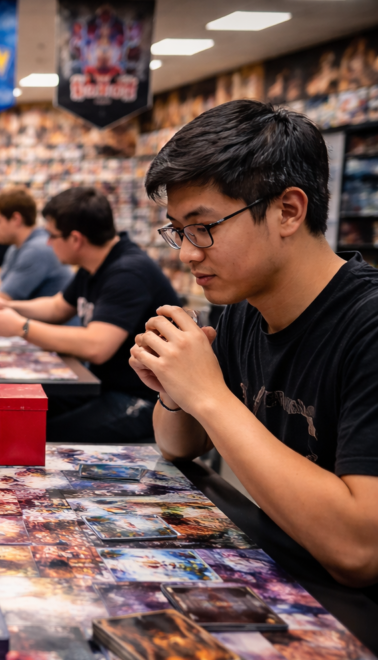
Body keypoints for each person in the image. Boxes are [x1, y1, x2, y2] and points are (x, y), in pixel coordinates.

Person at [130, 99, 378, 590]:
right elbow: (179, 445)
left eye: (204, 227)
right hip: (285, 571)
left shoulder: (367, 325)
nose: (189, 253)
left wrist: (209, 395)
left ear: (288, 210)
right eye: (178, 231)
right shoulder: (245, 308)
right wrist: (175, 391)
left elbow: (359, 550)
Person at [0, 187, 180, 441]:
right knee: (7, 409)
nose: (48, 243)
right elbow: (57, 307)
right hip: (104, 386)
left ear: (75, 239)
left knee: (39, 435)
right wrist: (12, 308)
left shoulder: (128, 273)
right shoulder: (95, 264)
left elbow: (96, 346)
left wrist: (21, 326)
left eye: (52, 235)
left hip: (143, 399)